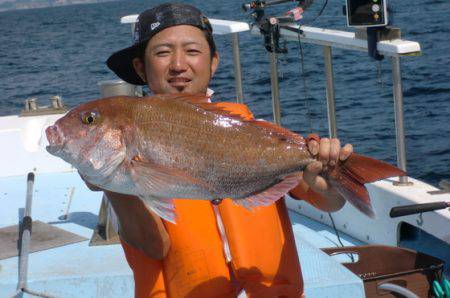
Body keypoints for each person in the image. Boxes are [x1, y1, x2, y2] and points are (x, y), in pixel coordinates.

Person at [101, 3, 353, 297]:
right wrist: (112, 183)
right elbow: (152, 245)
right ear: (140, 68)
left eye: (193, 51)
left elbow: (331, 203)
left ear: (213, 62)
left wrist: (330, 183)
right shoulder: (130, 145)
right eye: (162, 52)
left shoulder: (253, 133)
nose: (179, 64)